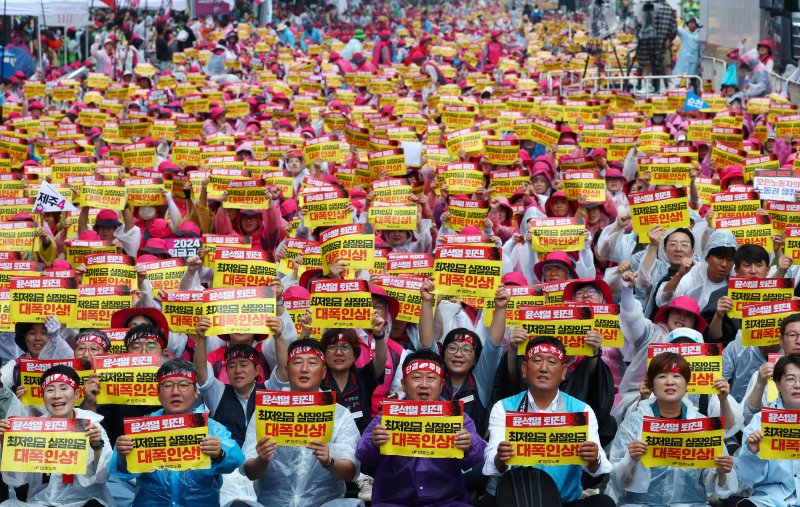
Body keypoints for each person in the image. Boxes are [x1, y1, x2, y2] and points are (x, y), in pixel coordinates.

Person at [483, 337, 614, 507]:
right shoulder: (504, 408)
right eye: (537, 361)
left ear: (563, 373)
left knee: (603, 503)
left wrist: (592, 457)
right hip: (518, 501)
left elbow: (599, 468)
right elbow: (493, 466)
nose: (543, 368)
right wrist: (501, 457)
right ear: (524, 369)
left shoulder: (581, 411)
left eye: (552, 362)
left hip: (565, 501)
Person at [238, 339, 362, 507]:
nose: (304, 369)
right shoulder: (268, 410)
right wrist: (262, 460)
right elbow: (250, 471)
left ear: (324, 371)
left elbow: (351, 471)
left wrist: (330, 462)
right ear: (287, 370)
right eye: (297, 362)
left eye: (312, 363)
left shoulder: (339, 414)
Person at [355, 350, 486, 507]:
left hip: (447, 501)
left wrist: (469, 444)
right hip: (393, 501)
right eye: (416, 378)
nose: (424, 384)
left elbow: (478, 458)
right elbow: (363, 456)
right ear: (404, 384)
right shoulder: (388, 415)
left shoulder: (456, 417)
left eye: (431, 378)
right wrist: (374, 443)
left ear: (442, 384)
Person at [608, 352, 738, 506]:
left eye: (677, 376)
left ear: (687, 383)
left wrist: (721, 471)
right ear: (651, 385)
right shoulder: (634, 423)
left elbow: (712, 483)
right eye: (662, 376)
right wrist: (631, 459)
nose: (670, 382)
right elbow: (617, 480)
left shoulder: (703, 425)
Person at [110, 359, 245, 506]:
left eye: (183, 385)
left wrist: (220, 454)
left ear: (196, 393)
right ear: (158, 393)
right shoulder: (142, 428)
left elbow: (235, 461)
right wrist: (123, 456)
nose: (175, 392)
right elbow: (124, 472)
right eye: (167, 385)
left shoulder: (212, 428)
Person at [0, 365, 114, 507]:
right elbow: (18, 480)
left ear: (77, 395)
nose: (57, 395)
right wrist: (7, 445)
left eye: (63, 388)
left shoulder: (91, 425)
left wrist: (97, 446)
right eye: (50, 390)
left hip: (85, 501)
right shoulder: (33, 428)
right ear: (43, 397)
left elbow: (102, 477)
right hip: (42, 501)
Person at [738, 353, 800, 507]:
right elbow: (747, 477)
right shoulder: (761, 420)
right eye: (790, 379)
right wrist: (753, 453)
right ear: (778, 384)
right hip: (771, 498)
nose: (798, 385)